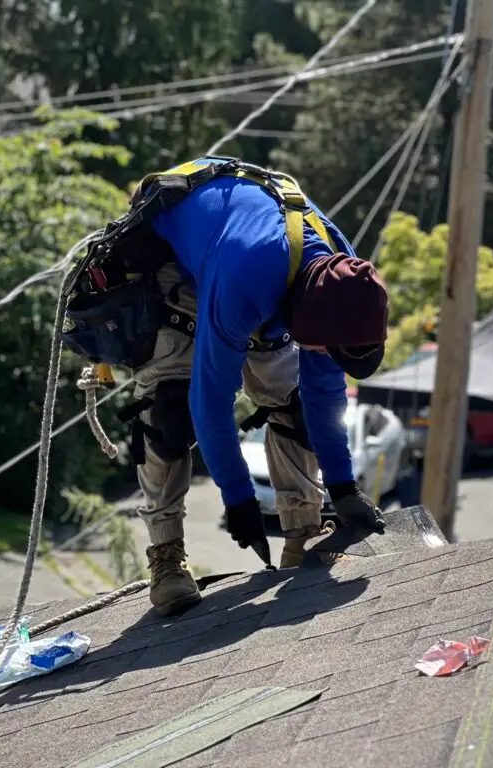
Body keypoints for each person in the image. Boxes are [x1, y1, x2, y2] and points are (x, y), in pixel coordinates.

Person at [110, 156, 390, 617]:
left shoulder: (341, 284)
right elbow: (211, 401)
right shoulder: (247, 281)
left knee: (292, 401)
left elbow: (324, 394)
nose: (323, 357)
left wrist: (343, 486)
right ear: (306, 323)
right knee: (170, 407)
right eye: (322, 349)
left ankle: (303, 531)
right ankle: (166, 555)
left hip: (257, 260)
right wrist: (238, 497)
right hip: (173, 254)